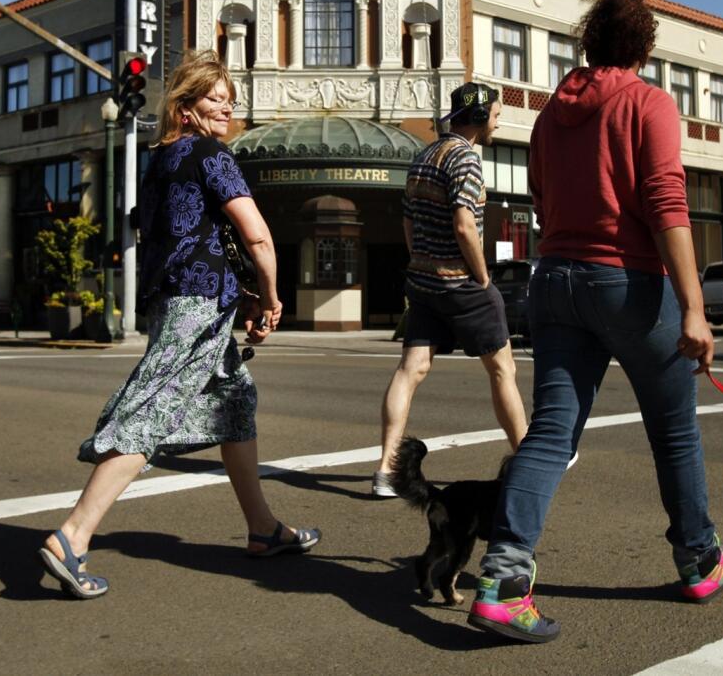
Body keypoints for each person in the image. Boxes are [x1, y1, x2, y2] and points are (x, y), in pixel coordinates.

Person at [468, 0, 723, 643]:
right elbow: (665, 204)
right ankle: (700, 557)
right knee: (674, 428)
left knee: (551, 432)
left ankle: (505, 580)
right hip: (627, 283)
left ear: (587, 42)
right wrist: (695, 309)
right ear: (642, 49)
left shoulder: (545, 117)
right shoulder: (648, 104)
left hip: (554, 281)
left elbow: (539, 200)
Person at [38, 52, 318, 600]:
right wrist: (271, 296)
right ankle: (71, 536)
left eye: (231, 101)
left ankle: (262, 529)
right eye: (216, 99)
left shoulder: (159, 159)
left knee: (235, 401)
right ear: (185, 107)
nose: (227, 110)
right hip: (195, 306)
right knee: (154, 410)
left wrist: (238, 296)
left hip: (181, 299)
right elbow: (257, 236)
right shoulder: (212, 154)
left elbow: (174, 238)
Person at [371, 82, 528, 497]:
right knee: (503, 370)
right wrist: (482, 277)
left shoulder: (423, 156)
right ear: (478, 119)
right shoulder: (467, 160)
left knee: (410, 371)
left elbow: (407, 221)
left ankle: (386, 471)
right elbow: (464, 225)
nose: (498, 120)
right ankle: (529, 461)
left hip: (423, 282)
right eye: (495, 115)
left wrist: (421, 259)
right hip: (462, 284)